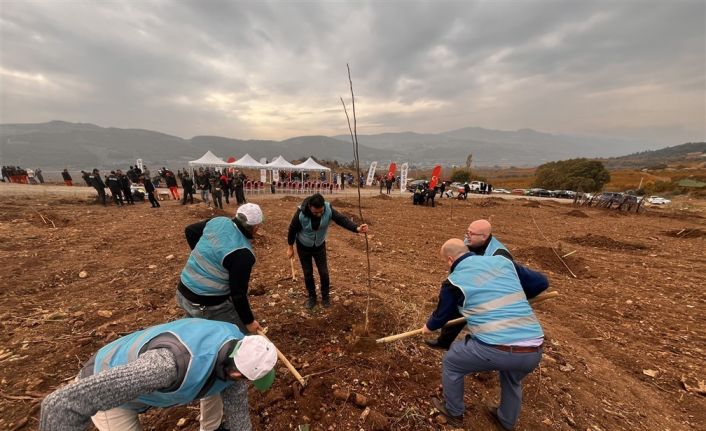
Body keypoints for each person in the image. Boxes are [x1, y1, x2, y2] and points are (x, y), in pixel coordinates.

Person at [40, 318, 277, 431]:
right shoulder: (165, 366)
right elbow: (59, 405)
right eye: (248, 380)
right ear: (237, 372)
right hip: (111, 389)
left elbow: (238, 414)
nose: (246, 384)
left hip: (145, 378)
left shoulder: (237, 350)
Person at [422, 239, 545, 430]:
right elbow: (540, 282)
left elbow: (441, 315)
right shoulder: (502, 262)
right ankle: (506, 420)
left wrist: (428, 327)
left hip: (498, 349)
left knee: (452, 362)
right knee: (512, 378)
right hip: (534, 348)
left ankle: (453, 411)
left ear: (449, 259)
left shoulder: (454, 281)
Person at [426, 220, 522, 349]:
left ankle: (490, 350)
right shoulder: (468, 245)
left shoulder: (499, 254)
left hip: (492, 294)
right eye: (467, 232)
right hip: (472, 287)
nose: (467, 236)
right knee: (456, 308)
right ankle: (444, 342)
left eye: (471, 234)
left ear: (484, 236)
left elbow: (505, 279)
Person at [177, 203, 264, 333]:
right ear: (256, 227)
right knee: (240, 336)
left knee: (198, 329)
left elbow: (190, 231)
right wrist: (249, 322)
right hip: (206, 305)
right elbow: (238, 294)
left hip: (183, 291)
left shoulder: (218, 221)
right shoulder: (243, 253)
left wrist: (205, 257)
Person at [287, 193, 368, 309]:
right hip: (303, 246)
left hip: (319, 246)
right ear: (310, 207)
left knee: (324, 272)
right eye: (316, 212)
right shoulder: (300, 214)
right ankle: (312, 297)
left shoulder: (328, 209)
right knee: (308, 273)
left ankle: (325, 297)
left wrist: (357, 228)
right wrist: (290, 247)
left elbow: (341, 219)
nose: (319, 214)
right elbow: (292, 229)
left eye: (321, 211)